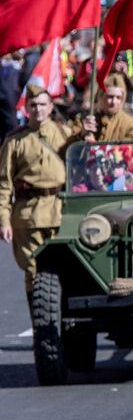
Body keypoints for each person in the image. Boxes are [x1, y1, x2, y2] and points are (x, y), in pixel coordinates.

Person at [0, 86, 69, 306]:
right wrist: (3, 220)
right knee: (34, 273)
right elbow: (4, 184)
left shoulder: (64, 134)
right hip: (29, 215)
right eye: (33, 105)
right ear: (27, 108)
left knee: (67, 270)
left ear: (50, 107)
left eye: (42, 104)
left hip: (61, 212)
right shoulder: (15, 141)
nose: (38, 109)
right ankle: (41, 330)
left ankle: (67, 326)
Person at [71, 79, 133, 145]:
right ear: (101, 97)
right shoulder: (84, 119)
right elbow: (67, 151)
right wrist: (82, 134)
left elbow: (128, 153)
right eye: (110, 97)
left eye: (118, 97)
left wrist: (96, 147)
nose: (114, 102)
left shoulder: (132, 126)